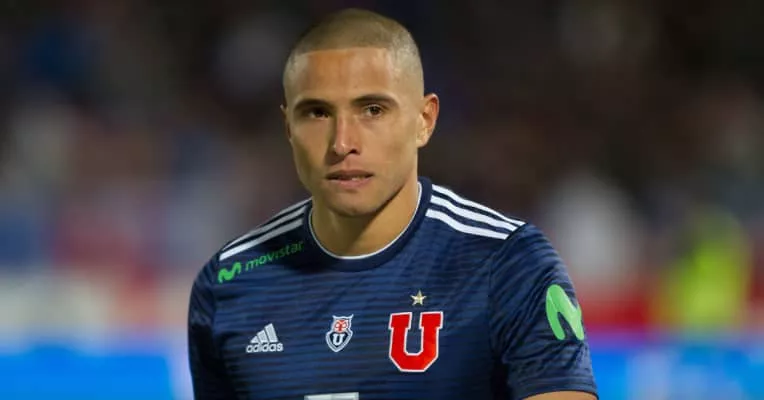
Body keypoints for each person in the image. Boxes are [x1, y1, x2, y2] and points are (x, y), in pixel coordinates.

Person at [188, 8, 598, 400]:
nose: (342, 143)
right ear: (288, 128)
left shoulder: (508, 264)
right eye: (317, 112)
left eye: (372, 109)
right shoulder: (228, 283)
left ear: (424, 120)